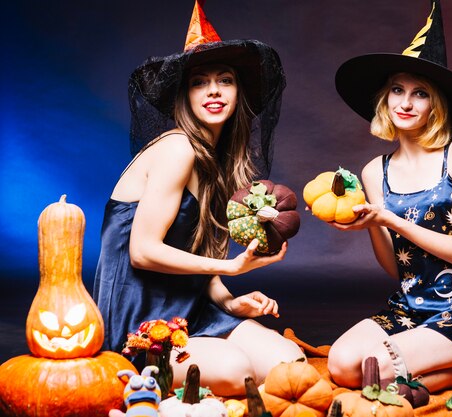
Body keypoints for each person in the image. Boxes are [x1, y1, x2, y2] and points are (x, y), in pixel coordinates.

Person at [93, 1, 303, 397]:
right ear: (183, 96)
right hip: (140, 320)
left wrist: (230, 300)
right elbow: (142, 252)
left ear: (239, 92)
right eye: (198, 82)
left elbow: (197, 258)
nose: (213, 91)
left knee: (289, 364)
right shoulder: (178, 148)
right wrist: (232, 266)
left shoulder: (220, 164)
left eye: (225, 80)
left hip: (192, 306)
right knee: (236, 372)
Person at [326, 0, 452, 393]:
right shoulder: (375, 172)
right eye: (397, 90)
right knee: (341, 366)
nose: (405, 103)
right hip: (410, 306)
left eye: (419, 93)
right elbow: (396, 269)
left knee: (374, 367)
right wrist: (371, 224)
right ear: (385, 100)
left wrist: (390, 219)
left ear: (434, 105)